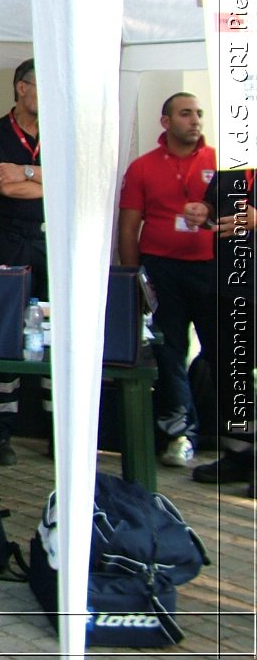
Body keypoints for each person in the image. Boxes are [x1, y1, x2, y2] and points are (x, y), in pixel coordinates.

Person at [118, 92, 217, 467]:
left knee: (224, 352)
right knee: (169, 351)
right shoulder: (144, 167)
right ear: (166, 122)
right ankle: (179, 434)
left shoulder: (220, 161)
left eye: (199, 114)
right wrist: (133, 279)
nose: (195, 120)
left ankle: (231, 435)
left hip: (211, 269)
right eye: (186, 113)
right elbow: (128, 227)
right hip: (162, 271)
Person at [0, 58, 45, 466]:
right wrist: (43, 179)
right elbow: (4, 187)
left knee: (55, 330)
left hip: (49, 239)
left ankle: (57, 433)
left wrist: (26, 171)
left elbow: (72, 180)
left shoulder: (59, 129)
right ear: (21, 87)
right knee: (7, 334)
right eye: (42, 84)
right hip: (8, 241)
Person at [186, 170, 255, 496]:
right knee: (232, 373)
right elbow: (215, 206)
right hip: (231, 287)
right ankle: (240, 456)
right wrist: (204, 211)